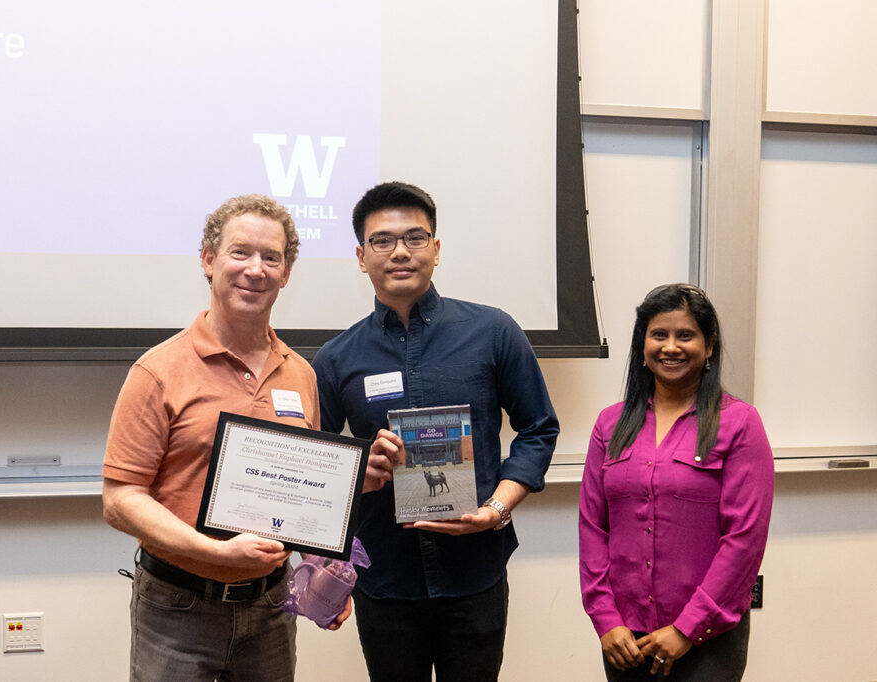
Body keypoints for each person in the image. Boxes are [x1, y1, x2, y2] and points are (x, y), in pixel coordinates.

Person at [312, 181, 559, 682]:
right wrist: (363, 466)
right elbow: (319, 467)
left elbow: (538, 428)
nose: (399, 251)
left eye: (415, 237)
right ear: (361, 257)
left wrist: (497, 510)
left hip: (476, 572)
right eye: (382, 241)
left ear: (436, 249)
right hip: (384, 579)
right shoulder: (337, 359)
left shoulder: (494, 332)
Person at [101, 194, 328, 681]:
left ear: (286, 273)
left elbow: (304, 494)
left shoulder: (301, 375)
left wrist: (321, 566)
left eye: (272, 257)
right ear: (209, 260)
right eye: (240, 252)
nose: (256, 269)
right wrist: (217, 553)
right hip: (179, 609)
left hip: (271, 608)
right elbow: (120, 500)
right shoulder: (158, 371)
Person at [579, 283, 774, 681]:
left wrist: (689, 627)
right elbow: (593, 527)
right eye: (659, 335)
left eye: (685, 335)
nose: (671, 347)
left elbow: (745, 539)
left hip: (707, 639)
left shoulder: (739, 423)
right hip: (625, 638)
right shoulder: (610, 424)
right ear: (642, 346)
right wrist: (605, 618)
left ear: (709, 347)